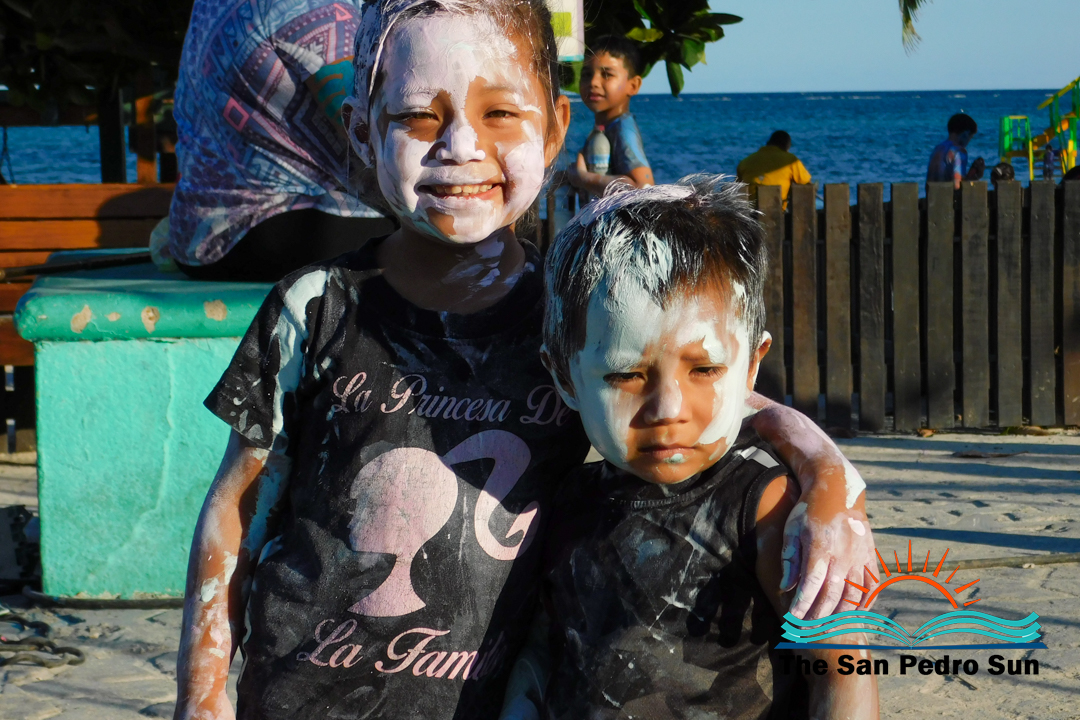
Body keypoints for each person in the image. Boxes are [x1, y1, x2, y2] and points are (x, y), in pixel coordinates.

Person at [172, 3, 876, 718]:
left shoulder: (579, 311)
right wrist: (201, 695)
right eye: (417, 117)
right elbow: (239, 504)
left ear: (556, 129)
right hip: (293, 699)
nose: (460, 146)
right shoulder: (314, 306)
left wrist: (829, 485)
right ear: (360, 131)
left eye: (501, 113)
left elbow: (716, 402)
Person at [498, 177, 878, 720]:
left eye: (704, 369)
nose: (668, 408)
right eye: (626, 375)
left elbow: (841, 667)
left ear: (751, 365)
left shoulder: (762, 508)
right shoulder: (567, 500)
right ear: (564, 376)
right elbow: (546, 643)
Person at [166, 0, 395, 281]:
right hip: (272, 228)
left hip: (197, 237)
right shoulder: (318, 9)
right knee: (432, 240)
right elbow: (381, 140)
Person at [566, 35, 654, 195]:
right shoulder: (605, 128)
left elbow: (643, 187)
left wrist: (584, 178)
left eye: (607, 74)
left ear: (633, 85)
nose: (593, 82)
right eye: (586, 74)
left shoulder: (624, 129)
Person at [736, 130, 812, 207]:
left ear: (768, 143)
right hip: (776, 210)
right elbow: (806, 184)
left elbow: (738, 186)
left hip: (748, 211)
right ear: (787, 146)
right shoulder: (791, 161)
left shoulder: (745, 162)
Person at [927, 113, 985, 190]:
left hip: (932, 195)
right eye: (970, 137)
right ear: (966, 134)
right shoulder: (959, 151)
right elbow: (957, 185)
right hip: (947, 196)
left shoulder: (937, 149)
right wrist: (974, 177)